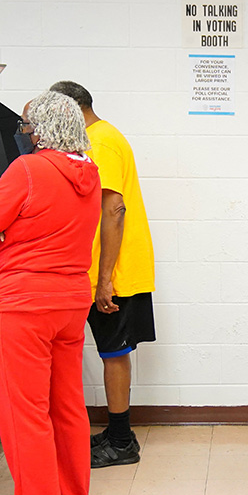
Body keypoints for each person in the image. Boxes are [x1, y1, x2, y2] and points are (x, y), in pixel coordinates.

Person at [0, 91, 101, 495]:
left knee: (24, 415)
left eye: (26, 127)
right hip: (69, 304)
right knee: (66, 408)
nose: (23, 134)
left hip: (23, 305)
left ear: (40, 130)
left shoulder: (27, 169)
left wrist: (7, 229)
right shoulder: (88, 171)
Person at [49, 81, 156, 469]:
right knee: (113, 351)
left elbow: (113, 210)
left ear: (73, 110)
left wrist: (105, 278)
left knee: (114, 353)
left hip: (114, 271)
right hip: (102, 268)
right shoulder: (97, 137)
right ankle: (116, 434)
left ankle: (122, 441)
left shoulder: (100, 142)